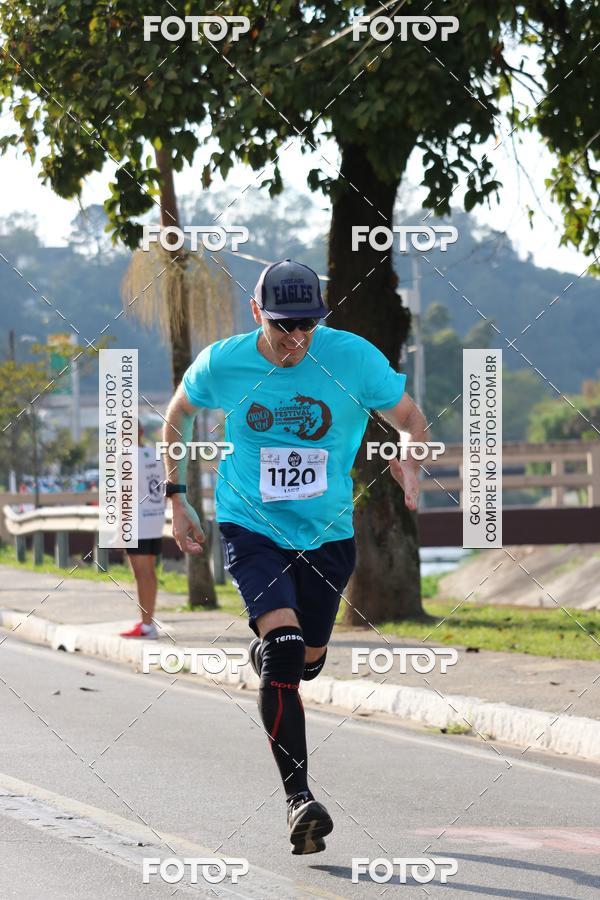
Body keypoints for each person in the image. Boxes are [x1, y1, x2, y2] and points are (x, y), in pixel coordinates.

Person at [162, 258, 426, 854]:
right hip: (251, 526)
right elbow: (175, 416)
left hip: (327, 535)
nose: (296, 340)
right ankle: (298, 801)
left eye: (307, 326)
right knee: (284, 651)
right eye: (283, 327)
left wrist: (412, 455)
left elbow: (409, 416)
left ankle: (270, 655)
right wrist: (177, 500)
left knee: (304, 664)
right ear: (257, 314)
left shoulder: (353, 358)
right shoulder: (224, 362)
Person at [120, 422, 166, 639]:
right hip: (155, 518)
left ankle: (146, 625)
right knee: (149, 571)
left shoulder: (124, 456)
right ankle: (149, 623)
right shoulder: (154, 453)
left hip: (136, 521)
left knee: (141, 573)